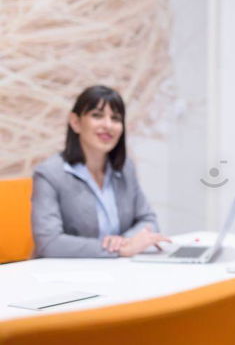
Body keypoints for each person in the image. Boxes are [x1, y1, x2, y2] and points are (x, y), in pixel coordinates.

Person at [32, 85, 169, 258]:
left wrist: (124, 242)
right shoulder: (49, 174)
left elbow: (148, 221)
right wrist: (115, 249)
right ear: (75, 122)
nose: (108, 125)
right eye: (97, 116)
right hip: (66, 275)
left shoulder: (125, 168)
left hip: (117, 271)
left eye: (116, 118)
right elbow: (49, 244)